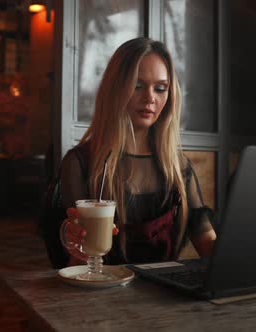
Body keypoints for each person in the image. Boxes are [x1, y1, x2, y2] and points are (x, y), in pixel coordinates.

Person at [48, 37, 217, 267]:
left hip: (165, 296)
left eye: (160, 88)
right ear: (116, 89)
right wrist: (71, 237)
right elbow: (74, 261)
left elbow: (206, 240)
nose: (150, 98)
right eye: (138, 85)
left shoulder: (179, 167)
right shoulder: (81, 162)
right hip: (101, 294)